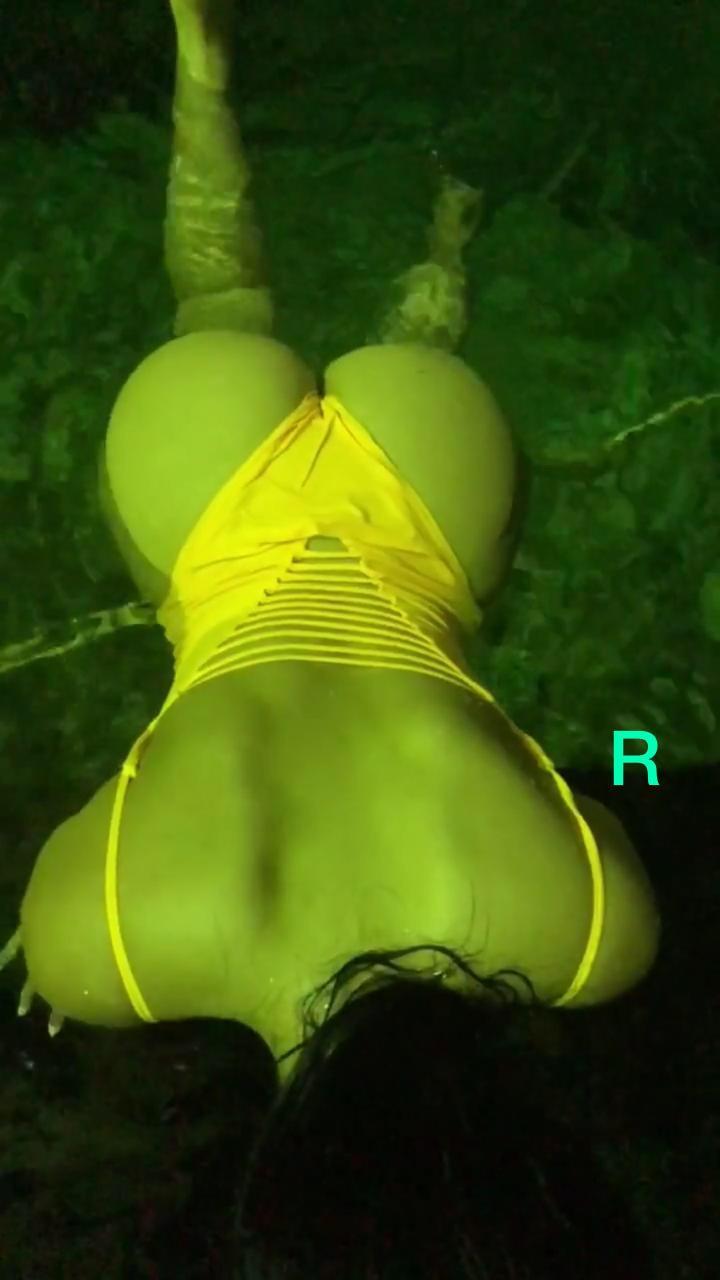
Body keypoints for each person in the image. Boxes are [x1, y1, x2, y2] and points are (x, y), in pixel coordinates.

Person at [4, 1, 661, 1274]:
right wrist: (60, 930)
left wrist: (610, 762)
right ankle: (203, 80)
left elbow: (605, 779)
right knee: (218, 306)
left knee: (396, 358)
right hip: (205, 486)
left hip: (435, 481)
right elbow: (68, 868)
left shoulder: (598, 935)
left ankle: (441, 259)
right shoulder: (103, 946)